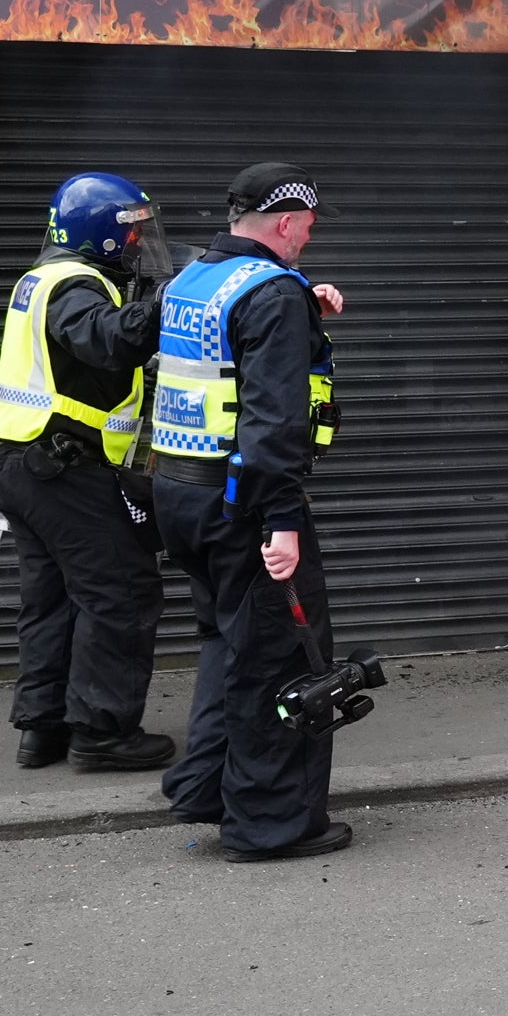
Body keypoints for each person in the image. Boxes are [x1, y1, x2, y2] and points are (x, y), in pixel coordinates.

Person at [152, 163, 353, 862]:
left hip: (181, 493)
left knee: (225, 643)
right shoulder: (272, 294)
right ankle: (269, 823)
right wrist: (283, 521)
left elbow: (218, 363)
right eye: (308, 225)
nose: (308, 237)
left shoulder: (194, 278)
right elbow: (271, 423)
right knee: (275, 657)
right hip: (244, 501)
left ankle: (206, 785)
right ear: (286, 222)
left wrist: (305, 310)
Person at [0, 172, 176, 772]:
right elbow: (107, 342)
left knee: (53, 601)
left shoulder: (41, 279)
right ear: (98, 232)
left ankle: (42, 729)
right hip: (66, 467)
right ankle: (103, 732)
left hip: (27, 465)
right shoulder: (75, 282)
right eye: (133, 231)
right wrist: (169, 300)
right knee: (121, 592)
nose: (141, 243)